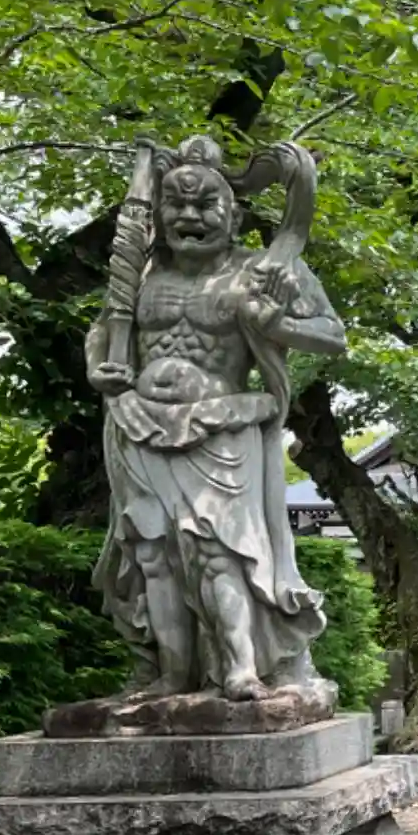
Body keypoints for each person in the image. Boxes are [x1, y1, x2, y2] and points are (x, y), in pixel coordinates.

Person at [87, 137, 345, 700]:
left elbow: (332, 336)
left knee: (217, 550)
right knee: (152, 555)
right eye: (176, 204)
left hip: (220, 430)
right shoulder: (142, 274)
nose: (190, 216)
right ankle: (171, 675)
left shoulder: (262, 272)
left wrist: (276, 323)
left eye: (206, 205)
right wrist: (98, 368)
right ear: (159, 214)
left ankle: (241, 668)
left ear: (235, 215)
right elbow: (104, 329)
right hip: (138, 425)